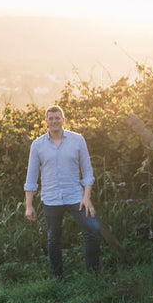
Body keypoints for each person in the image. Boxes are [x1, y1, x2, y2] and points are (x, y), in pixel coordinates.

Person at [25, 105, 101, 278]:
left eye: (57, 118)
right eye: (50, 118)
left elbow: (87, 171)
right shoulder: (37, 145)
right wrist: (29, 205)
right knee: (53, 238)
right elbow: (31, 177)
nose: (54, 121)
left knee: (93, 230)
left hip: (76, 197)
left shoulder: (78, 140)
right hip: (51, 199)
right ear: (46, 122)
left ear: (63, 120)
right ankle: (58, 277)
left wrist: (86, 197)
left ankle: (93, 273)